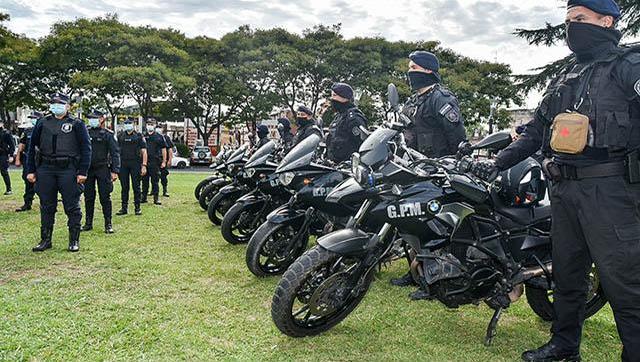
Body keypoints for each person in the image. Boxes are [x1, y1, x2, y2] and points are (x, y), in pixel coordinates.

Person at [469, 1, 640, 360]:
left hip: (612, 193)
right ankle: (565, 346)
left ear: (606, 21)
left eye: (580, 19)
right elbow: (535, 131)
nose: (571, 28)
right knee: (568, 275)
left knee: (625, 284)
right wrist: (498, 162)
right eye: (567, 21)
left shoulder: (629, 66)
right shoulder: (568, 75)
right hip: (564, 190)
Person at [392, 50, 467, 288]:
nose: (409, 72)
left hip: (438, 169)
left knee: (435, 225)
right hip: (416, 167)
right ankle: (414, 271)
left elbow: (457, 138)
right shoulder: (414, 101)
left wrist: (452, 166)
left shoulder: (441, 98)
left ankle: (433, 277)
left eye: (414, 68)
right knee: (411, 220)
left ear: (428, 71)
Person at [27, 93, 92, 252]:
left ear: (68, 106)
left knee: (71, 206)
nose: (56, 106)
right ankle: (45, 240)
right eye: (53, 103)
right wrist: (31, 170)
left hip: (68, 169)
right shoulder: (42, 123)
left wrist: (82, 171)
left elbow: (86, 149)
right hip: (46, 169)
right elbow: (31, 148)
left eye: (60, 103)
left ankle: (73, 240)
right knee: (46, 206)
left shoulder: (77, 124)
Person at [82, 110, 120, 234]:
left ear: (102, 119)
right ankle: (88, 223)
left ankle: (108, 223)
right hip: (88, 169)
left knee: (105, 197)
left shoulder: (108, 134)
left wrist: (115, 171)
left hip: (103, 168)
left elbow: (115, 153)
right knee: (88, 197)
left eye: (95, 118)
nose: (92, 120)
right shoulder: (85, 132)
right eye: (90, 118)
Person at [325, 82, 368, 163]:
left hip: (347, 169)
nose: (331, 99)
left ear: (344, 98)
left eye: (334, 95)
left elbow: (362, 144)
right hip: (333, 165)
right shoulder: (339, 116)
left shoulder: (354, 118)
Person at [116, 119, 147, 216]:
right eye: (126, 124)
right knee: (124, 187)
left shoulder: (138, 136)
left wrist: (144, 165)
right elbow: (116, 151)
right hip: (123, 164)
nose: (128, 125)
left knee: (136, 187)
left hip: (135, 163)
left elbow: (144, 151)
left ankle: (137, 208)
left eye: (129, 123)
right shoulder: (120, 136)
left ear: (134, 125)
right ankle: (124, 208)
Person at [15, 111, 42, 211]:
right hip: (29, 159)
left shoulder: (45, 129)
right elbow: (21, 146)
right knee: (28, 181)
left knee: (44, 182)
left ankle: (45, 203)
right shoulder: (27, 131)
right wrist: (17, 158)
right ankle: (27, 203)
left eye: (35, 118)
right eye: (32, 118)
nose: (33, 120)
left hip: (42, 159)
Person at [141, 119, 167, 205]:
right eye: (148, 124)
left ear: (155, 125)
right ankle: (143, 197)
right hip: (144, 162)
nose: (150, 126)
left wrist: (164, 161)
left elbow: (164, 150)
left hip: (155, 162)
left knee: (155, 181)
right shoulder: (143, 136)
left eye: (151, 124)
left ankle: (156, 198)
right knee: (144, 180)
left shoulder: (159, 137)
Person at [0, 121, 15, 195]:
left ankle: (9, 189)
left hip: (3, 155)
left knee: (4, 172)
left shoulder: (6, 133)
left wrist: (11, 155)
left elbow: (12, 145)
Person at [159, 123, 173, 197]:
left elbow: (170, 150)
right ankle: (152, 190)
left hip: (163, 159)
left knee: (163, 176)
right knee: (152, 176)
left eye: (160, 127)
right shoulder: (152, 137)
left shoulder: (166, 138)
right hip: (154, 160)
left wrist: (169, 160)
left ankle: (165, 190)